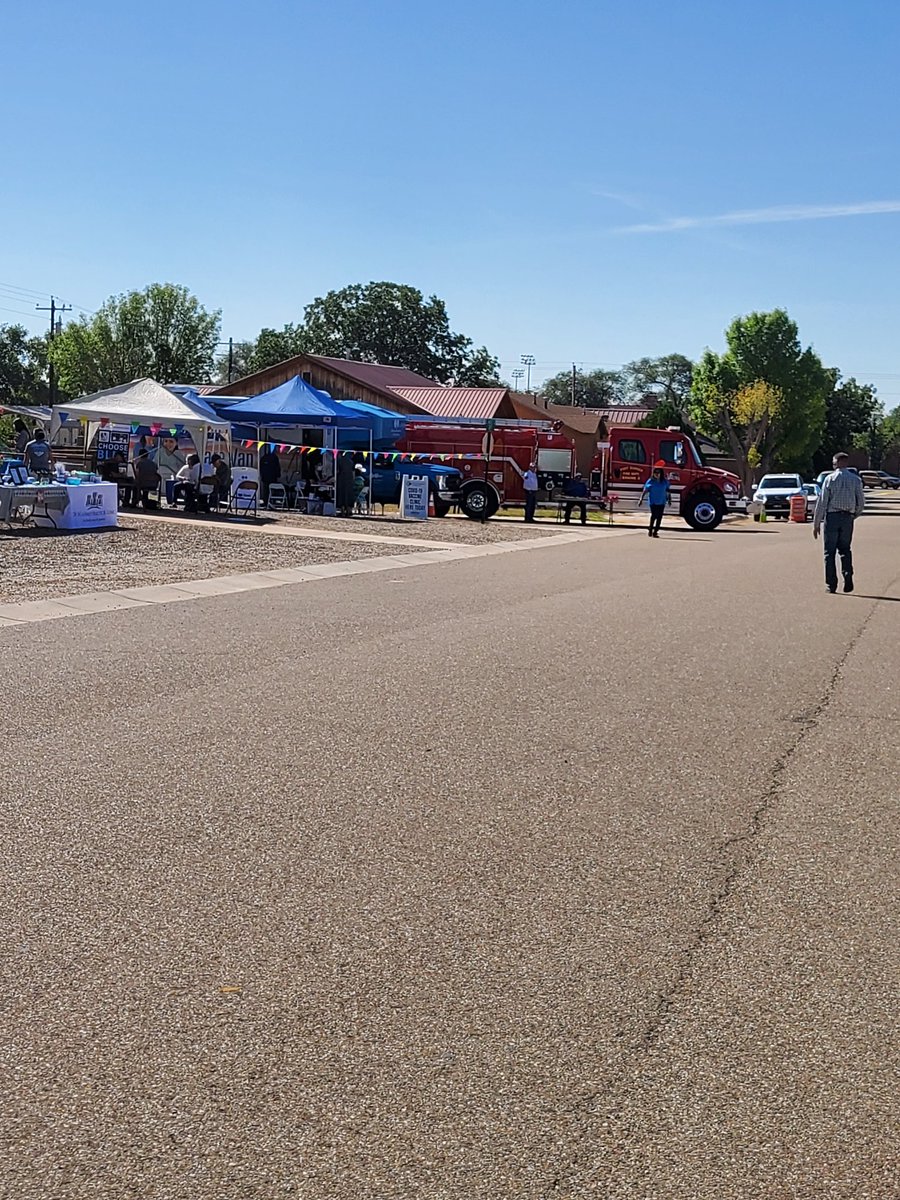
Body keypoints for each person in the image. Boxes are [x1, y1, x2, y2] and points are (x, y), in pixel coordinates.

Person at [813, 452, 865, 593]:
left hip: (832, 517)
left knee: (829, 552)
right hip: (847, 517)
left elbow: (822, 502)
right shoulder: (855, 480)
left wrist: (817, 522)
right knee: (845, 549)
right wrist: (854, 514)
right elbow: (861, 502)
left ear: (837, 463)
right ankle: (847, 577)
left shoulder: (830, 479)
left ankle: (831, 585)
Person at [640, 464, 672, 537]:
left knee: (659, 516)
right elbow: (645, 491)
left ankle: (656, 531)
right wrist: (641, 499)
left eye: (658, 473)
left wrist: (669, 499)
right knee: (654, 515)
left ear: (661, 474)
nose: (657, 474)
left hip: (662, 501)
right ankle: (650, 529)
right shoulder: (650, 481)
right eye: (655, 473)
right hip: (653, 501)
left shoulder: (664, 482)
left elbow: (668, 491)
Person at [335, 452, 355, 517]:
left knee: (342, 495)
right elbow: (353, 472)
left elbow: (338, 470)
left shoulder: (340, 461)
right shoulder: (351, 462)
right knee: (348, 495)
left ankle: (343, 511)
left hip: (342, 479)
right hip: (349, 480)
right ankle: (348, 510)